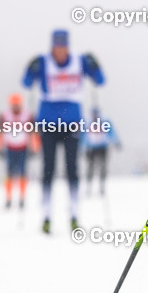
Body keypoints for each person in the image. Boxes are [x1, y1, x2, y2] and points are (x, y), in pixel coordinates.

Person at [22, 29, 104, 234]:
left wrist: (96, 66)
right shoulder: (42, 62)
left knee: (72, 169)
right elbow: (26, 83)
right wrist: (30, 69)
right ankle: (46, 215)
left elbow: (100, 81)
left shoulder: (79, 61)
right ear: (52, 47)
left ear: (67, 46)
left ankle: (75, 215)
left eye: (63, 46)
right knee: (48, 169)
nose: (59, 51)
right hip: (48, 125)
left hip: (72, 124)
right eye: (56, 47)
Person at [0, 92, 39, 209]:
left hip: (23, 148)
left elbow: (33, 133)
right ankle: (8, 198)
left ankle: (22, 198)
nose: (15, 107)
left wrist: (35, 147)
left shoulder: (27, 115)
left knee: (23, 173)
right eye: (13, 105)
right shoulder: (4, 116)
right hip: (9, 148)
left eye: (17, 105)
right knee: (8, 174)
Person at [83, 107, 121, 197]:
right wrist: (82, 147)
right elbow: (83, 135)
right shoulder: (87, 122)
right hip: (91, 148)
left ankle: (102, 186)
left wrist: (116, 142)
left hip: (102, 147)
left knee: (102, 167)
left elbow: (111, 132)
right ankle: (89, 187)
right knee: (90, 167)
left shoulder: (105, 121)